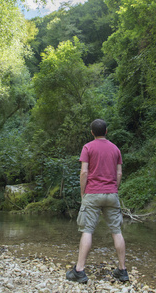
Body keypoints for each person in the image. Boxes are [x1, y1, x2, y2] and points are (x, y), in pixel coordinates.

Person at [66, 119, 129, 283]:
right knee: (117, 231)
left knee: (87, 230)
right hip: (112, 193)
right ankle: (122, 271)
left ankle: (79, 270)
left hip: (92, 193)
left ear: (92, 132)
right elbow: (119, 174)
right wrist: (114, 188)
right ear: (106, 131)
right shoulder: (116, 149)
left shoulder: (88, 147)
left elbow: (84, 173)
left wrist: (83, 193)